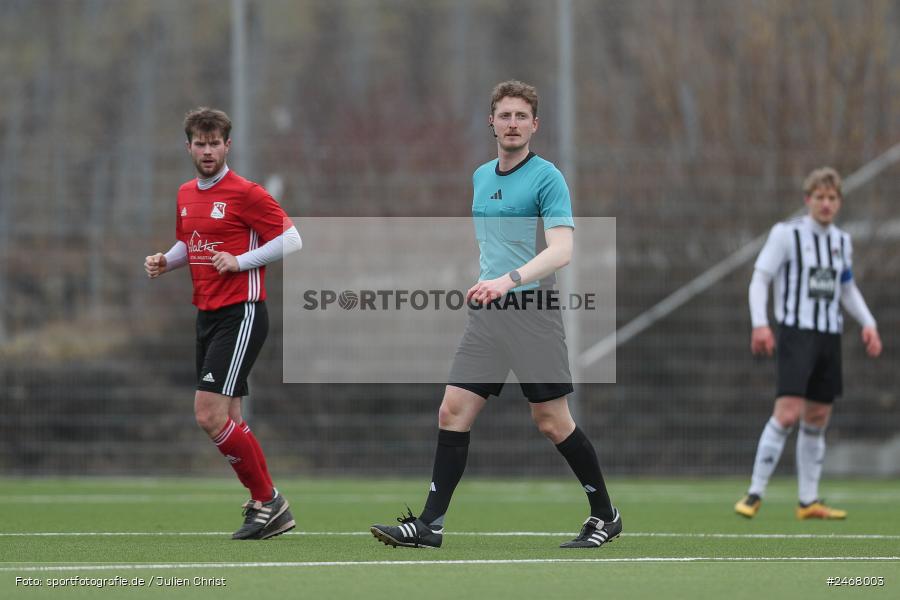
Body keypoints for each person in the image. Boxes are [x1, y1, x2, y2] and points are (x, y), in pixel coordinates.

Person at [370, 80, 620, 549]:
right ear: (491, 121)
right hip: (488, 316)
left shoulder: (548, 177)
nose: (512, 123)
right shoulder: (481, 176)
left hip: (532, 312)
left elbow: (562, 250)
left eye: (521, 116)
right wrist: (486, 281)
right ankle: (430, 525)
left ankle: (605, 516)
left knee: (551, 421)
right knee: (453, 409)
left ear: (534, 125)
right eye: (504, 115)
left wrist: (509, 279)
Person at [144, 107, 302, 539]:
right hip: (207, 314)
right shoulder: (184, 194)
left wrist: (240, 261)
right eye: (201, 143)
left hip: (242, 312)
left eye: (216, 143)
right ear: (189, 146)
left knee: (208, 413)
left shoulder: (245, 192)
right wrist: (167, 260)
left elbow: (291, 238)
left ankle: (269, 500)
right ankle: (263, 505)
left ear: (227, 145)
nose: (208, 150)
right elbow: (189, 242)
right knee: (229, 416)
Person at [735, 167, 882, 520]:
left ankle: (808, 501)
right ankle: (754, 493)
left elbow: (846, 288)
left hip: (828, 336)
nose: (827, 204)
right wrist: (760, 324)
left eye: (832, 198)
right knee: (787, 414)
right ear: (808, 200)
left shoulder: (841, 242)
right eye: (820, 197)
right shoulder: (787, 235)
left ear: (839, 202)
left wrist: (868, 322)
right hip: (796, 334)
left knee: (817, 416)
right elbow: (761, 279)